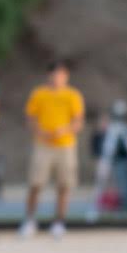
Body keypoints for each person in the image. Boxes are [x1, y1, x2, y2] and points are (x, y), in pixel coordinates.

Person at [20, 61, 85, 240]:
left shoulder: (73, 95)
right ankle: (30, 221)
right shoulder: (39, 94)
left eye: (61, 74)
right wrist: (40, 131)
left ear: (66, 76)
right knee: (36, 183)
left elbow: (78, 121)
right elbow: (30, 118)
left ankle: (59, 222)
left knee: (64, 185)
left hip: (65, 145)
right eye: (55, 74)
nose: (57, 78)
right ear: (49, 75)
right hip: (43, 144)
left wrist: (64, 130)